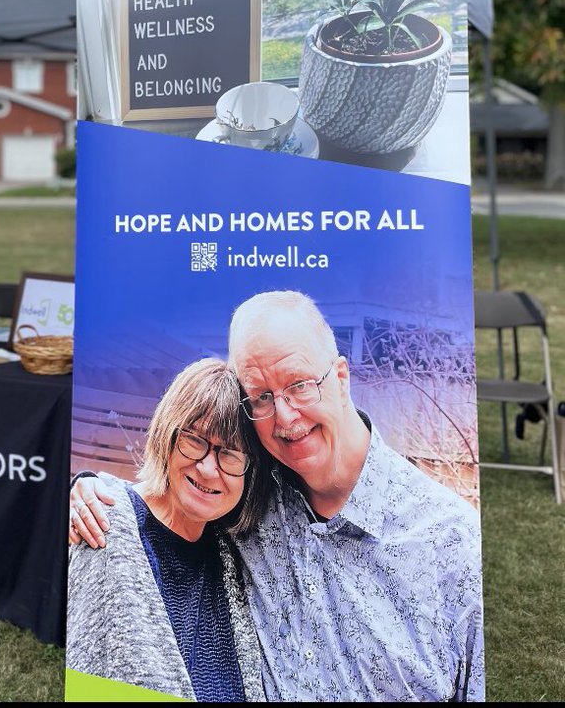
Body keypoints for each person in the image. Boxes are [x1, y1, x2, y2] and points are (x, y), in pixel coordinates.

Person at [71, 290, 484, 701]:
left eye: (299, 385)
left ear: (341, 379)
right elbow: (171, 504)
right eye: (262, 396)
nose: (285, 416)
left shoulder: (452, 547)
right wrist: (90, 490)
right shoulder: (252, 495)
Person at [67, 358, 268, 701]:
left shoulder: (238, 553)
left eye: (231, 454)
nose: (208, 468)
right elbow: (88, 678)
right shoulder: (104, 524)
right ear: (166, 434)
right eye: (195, 440)